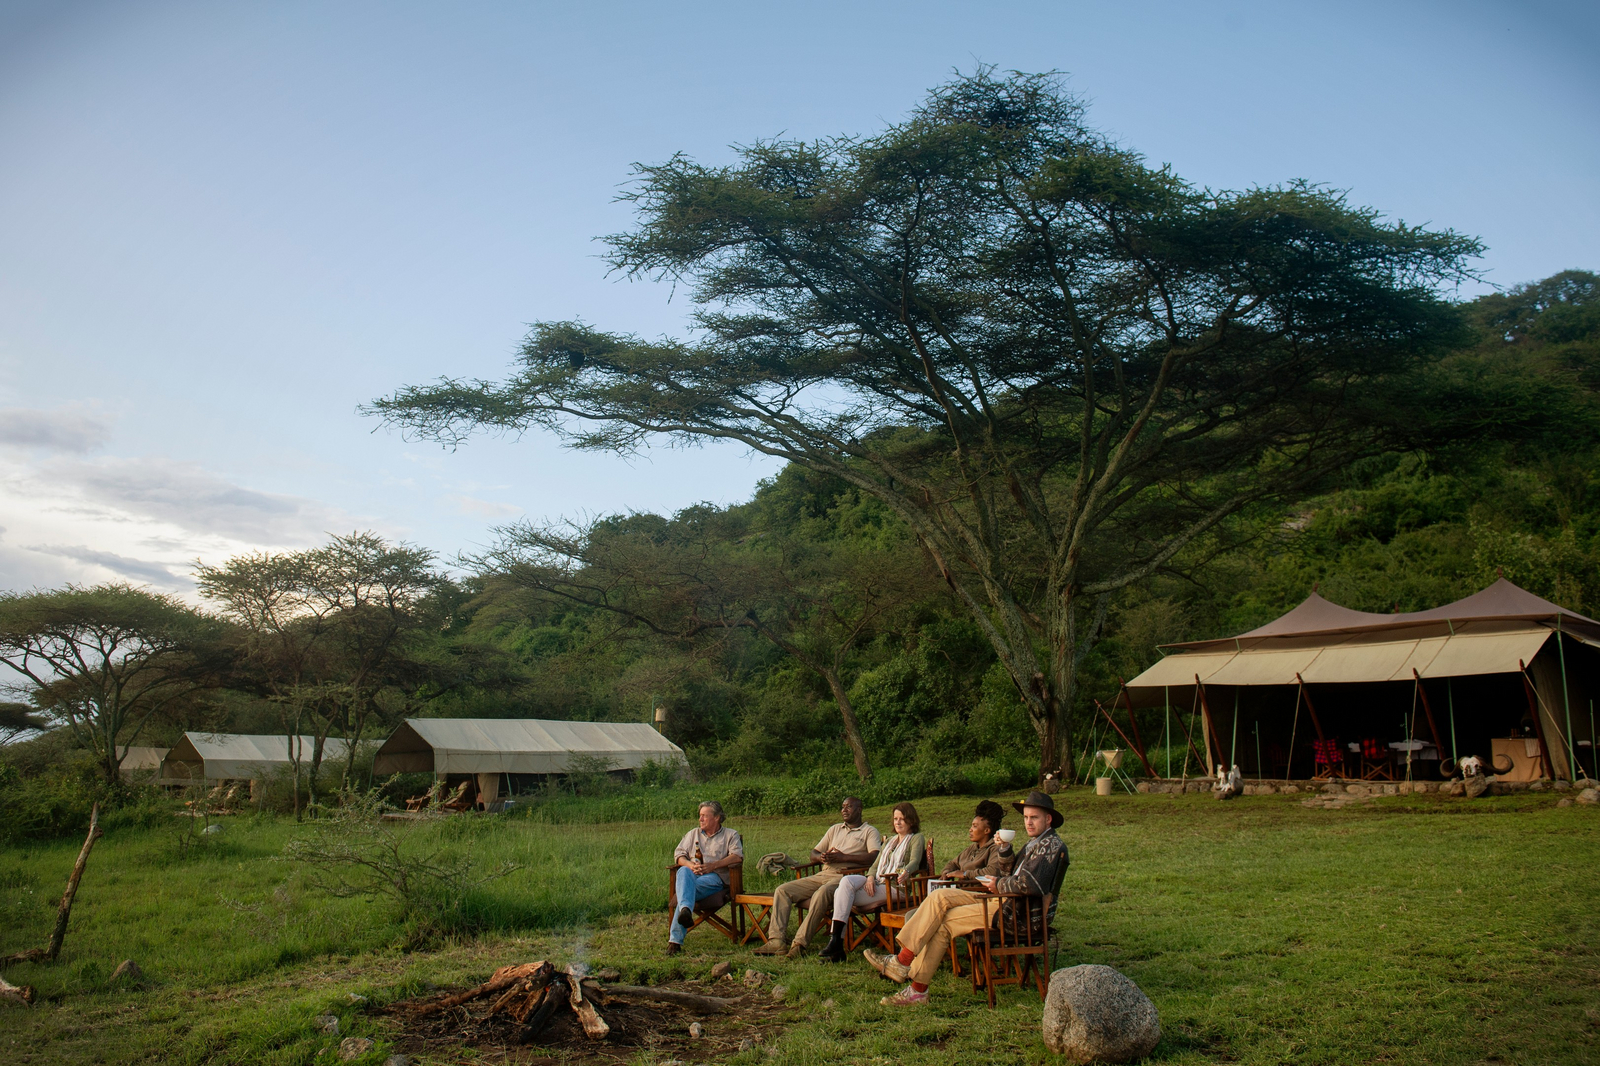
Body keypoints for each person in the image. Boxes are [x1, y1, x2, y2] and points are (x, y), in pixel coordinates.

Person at [863, 789, 1068, 1005]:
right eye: (1026, 817)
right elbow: (1010, 873)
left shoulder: (1051, 846)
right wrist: (1005, 850)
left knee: (945, 923)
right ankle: (904, 964)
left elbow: (1030, 885)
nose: (1028, 822)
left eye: (1034, 817)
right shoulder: (1034, 843)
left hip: (1017, 914)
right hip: (1005, 901)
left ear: (1048, 819)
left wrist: (997, 883)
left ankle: (914, 984)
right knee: (940, 897)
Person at [753, 796, 882, 958]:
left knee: (821, 893)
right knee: (783, 890)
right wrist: (822, 857)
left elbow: (874, 857)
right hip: (823, 874)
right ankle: (777, 941)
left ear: (859, 809)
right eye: (842, 806)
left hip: (846, 879)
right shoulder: (835, 829)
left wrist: (843, 858)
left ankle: (799, 943)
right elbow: (813, 853)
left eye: (849, 807)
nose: (844, 810)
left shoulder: (869, 831)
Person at [817, 802, 926, 962]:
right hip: (877, 882)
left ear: (911, 820)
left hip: (896, 887)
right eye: (895, 819)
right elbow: (875, 865)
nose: (898, 822)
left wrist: (904, 872)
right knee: (846, 882)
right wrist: (869, 878)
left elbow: (915, 862)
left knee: (843, 897)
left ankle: (837, 945)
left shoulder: (916, 838)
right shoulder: (890, 841)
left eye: (902, 819)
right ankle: (836, 942)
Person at [668, 800, 744, 955]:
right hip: (692, 875)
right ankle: (685, 911)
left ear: (716, 817)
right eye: (700, 816)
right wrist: (689, 864)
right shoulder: (693, 834)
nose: (700, 819)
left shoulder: (730, 835)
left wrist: (713, 865)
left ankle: (675, 941)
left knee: (684, 892)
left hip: (715, 878)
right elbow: (678, 855)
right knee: (682, 872)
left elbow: (737, 857)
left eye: (704, 816)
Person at [939, 799, 1015, 880]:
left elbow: (993, 872)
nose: (970, 829)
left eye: (975, 826)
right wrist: (946, 873)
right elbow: (953, 863)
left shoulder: (995, 848)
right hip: (960, 889)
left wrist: (965, 874)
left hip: (977, 891)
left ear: (987, 830)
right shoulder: (972, 848)